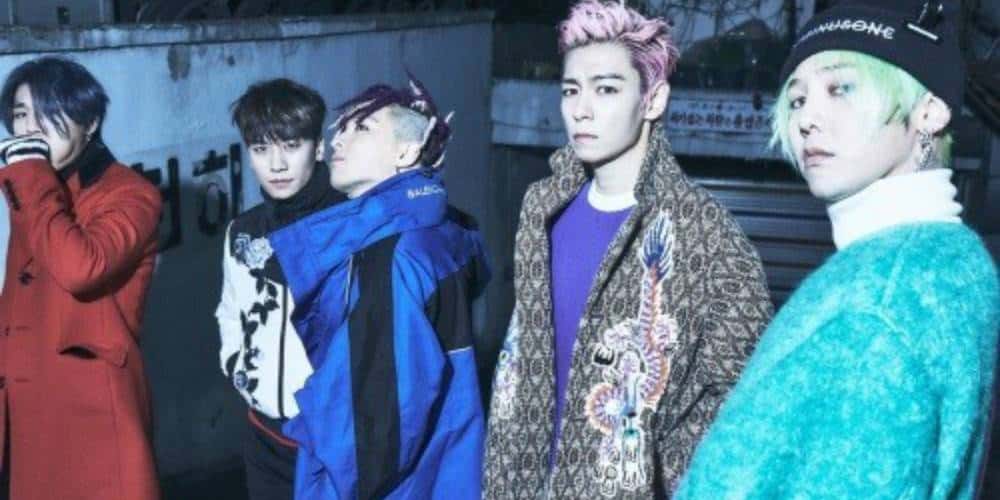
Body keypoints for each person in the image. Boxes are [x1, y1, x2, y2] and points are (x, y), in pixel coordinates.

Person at [675, 1, 1000, 498]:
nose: (807, 119)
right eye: (797, 99)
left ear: (929, 110)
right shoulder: (949, 262)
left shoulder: (876, 304)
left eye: (841, 88)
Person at [482, 1, 772, 497]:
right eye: (571, 90)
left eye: (606, 89)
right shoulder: (542, 206)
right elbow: (522, 363)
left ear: (653, 100)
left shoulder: (706, 233)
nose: (581, 109)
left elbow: (745, 408)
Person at [266, 75, 489, 499]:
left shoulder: (395, 255)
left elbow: (372, 439)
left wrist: (314, 431)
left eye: (362, 128)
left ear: (406, 152)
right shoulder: (443, 229)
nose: (338, 139)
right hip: (443, 474)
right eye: (341, 128)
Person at [0, 56, 162, 500]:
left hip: (92, 418)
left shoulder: (132, 193)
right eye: (21, 114)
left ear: (89, 122)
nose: (32, 128)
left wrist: (28, 176)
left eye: (50, 111)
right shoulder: (38, 187)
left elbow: (80, 269)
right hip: (30, 409)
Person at [216, 78, 345, 500]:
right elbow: (230, 310)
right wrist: (240, 368)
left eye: (291, 146)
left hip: (333, 438)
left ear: (318, 148)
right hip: (263, 433)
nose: (276, 164)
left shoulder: (350, 224)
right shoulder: (243, 231)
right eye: (260, 149)